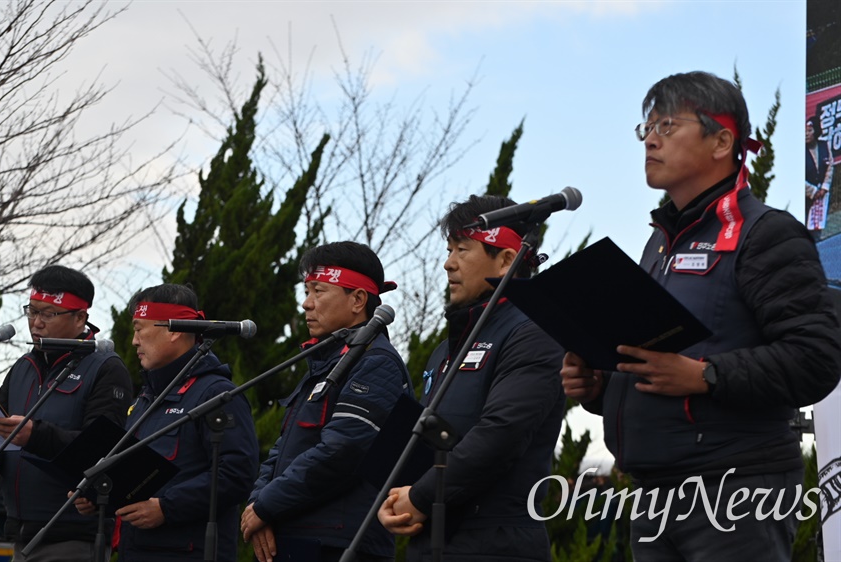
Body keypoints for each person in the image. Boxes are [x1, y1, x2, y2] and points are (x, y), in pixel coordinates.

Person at [560, 71, 841, 561]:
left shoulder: (767, 233)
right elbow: (665, 364)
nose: (649, 138)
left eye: (667, 125)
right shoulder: (660, 243)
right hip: (652, 493)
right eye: (645, 127)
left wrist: (706, 377)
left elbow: (815, 359)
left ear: (722, 140)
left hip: (735, 492)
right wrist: (603, 387)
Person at [377, 195, 566, 561]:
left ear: (507, 260)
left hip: (494, 541)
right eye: (448, 249)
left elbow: (501, 432)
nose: (448, 264)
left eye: (462, 250)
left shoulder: (532, 332)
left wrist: (419, 496)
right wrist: (399, 494)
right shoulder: (446, 347)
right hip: (433, 533)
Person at [241, 241, 412, 562]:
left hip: (339, 543)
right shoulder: (328, 363)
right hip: (294, 534)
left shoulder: (376, 362)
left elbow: (344, 450)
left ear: (358, 299)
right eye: (306, 291)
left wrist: (267, 506)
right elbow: (282, 449)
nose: (307, 304)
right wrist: (258, 505)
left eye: (318, 291)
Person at [75, 283, 259, 561]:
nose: (134, 341)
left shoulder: (216, 395)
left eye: (139, 329)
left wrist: (167, 507)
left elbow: (236, 473)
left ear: (174, 330)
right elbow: (137, 475)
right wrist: (98, 495)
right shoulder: (146, 399)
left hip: (188, 552)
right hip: (136, 549)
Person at [0, 265, 134, 560]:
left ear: (80, 317)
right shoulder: (22, 368)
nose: (36, 322)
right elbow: (3, 431)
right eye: (31, 311)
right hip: (19, 531)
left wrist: (35, 435)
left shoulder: (105, 368)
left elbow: (102, 449)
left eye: (48, 314)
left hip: (73, 535)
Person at [806, 116, 834, 240]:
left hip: (821, 197)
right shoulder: (798, 150)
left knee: (817, 233)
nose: (806, 134)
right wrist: (812, 191)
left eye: (809, 131)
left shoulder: (824, 145)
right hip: (805, 197)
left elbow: (830, 167)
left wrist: (824, 187)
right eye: (804, 131)